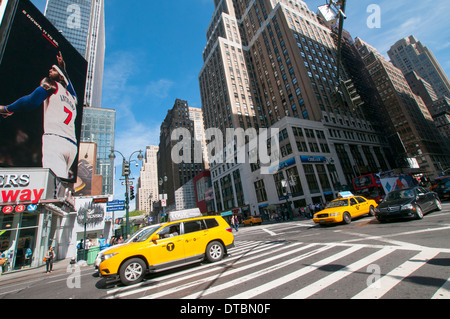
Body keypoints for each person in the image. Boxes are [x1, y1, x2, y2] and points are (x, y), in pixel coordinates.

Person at [0, 51, 78, 180]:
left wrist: (8, 109)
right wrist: (64, 70)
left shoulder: (51, 84)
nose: (50, 70)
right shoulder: (73, 99)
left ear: (60, 75)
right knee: (60, 185)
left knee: (52, 185)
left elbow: (31, 102)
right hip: (71, 146)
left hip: (55, 141)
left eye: (54, 69)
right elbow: (71, 87)